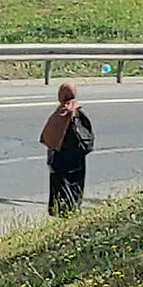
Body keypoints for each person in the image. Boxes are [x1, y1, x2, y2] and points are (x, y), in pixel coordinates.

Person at [40, 83, 93, 216]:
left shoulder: (60, 113)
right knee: (75, 184)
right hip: (76, 156)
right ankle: (72, 210)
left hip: (61, 155)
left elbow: (49, 136)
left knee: (60, 184)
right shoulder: (78, 111)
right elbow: (87, 135)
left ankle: (61, 211)